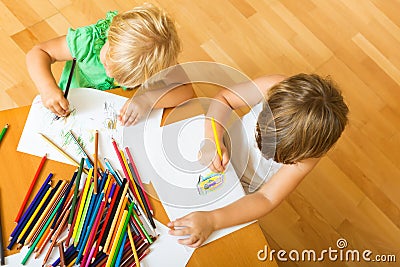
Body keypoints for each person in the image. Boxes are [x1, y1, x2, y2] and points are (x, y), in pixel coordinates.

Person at [168, 73, 349, 247]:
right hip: (219, 148)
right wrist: (212, 137)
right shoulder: (275, 86)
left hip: (242, 192)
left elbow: (266, 198)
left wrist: (212, 220)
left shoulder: (310, 153)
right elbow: (225, 99)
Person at [26, 3, 193, 126]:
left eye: (124, 78)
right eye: (106, 62)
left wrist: (147, 100)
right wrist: (47, 89)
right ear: (110, 34)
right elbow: (38, 52)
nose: (111, 75)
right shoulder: (88, 41)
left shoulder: (155, 62)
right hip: (69, 103)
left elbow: (186, 90)